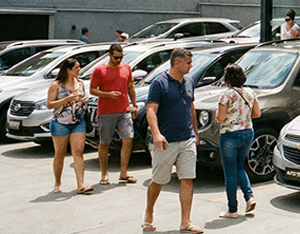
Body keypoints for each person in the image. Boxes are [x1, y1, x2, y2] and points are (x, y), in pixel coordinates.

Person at [143, 48, 203, 233]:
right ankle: (149, 213)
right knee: (158, 180)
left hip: (187, 138)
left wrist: (195, 132)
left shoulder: (189, 82)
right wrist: (156, 134)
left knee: (187, 179)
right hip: (165, 141)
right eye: (188, 63)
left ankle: (186, 221)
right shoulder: (159, 83)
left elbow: (191, 108)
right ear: (177, 63)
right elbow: (151, 110)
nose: (191, 66)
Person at [216, 63, 261, 218]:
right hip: (247, 132)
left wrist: (221, 117)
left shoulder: (226, 95)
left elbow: (220, 118)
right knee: (239, 166)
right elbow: (257, 114)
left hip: (229, 134)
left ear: (227, 79)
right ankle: (249, 197)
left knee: (230, 172)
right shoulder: (250, 92)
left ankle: (232, 209)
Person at [90, 43, 138, 185]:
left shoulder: (126, 68)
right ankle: (104, 173)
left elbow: (130, 87)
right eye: (116, 57)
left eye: (121, 57)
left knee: (128, 139)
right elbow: (92, 90)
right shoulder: (100, 70)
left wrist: (134, 104)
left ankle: (124, 172)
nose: (118, 60)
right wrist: (107, 94)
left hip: (124, 110)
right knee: (105, 142)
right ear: (109, 55)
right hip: (106, 111)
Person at [46, 58, 92, 194]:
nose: (79, 69)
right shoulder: (56, 85)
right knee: (60, 153)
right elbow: (50, 104)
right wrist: (68, 98)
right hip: (60, 123)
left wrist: (83, 101)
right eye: (76, 67)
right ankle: (57, 182)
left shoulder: (80, 83)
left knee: (78, 152)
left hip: (78, 122)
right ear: (68, 70)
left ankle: (81, 184)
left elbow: (82, 98)